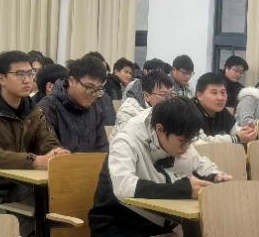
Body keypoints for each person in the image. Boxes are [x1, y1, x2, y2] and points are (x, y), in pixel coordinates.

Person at [0, 50, 69, 236]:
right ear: (1, 78)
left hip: (20, 186)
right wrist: (36, 161)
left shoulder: (32, 111)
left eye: (31, 73)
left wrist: (56, 153)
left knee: (63, 206)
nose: (28, 80)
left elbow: (48, 141)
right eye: (20, 74)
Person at [89, 97, 232, 237]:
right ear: (159, 130)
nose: (187, 148)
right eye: (183, 142)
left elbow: (199, 163)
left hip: (157, 223)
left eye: (190, 141)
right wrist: (184, 189)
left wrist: (215, 176)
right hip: (117, 222)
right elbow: (124, 188)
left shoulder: (176, 131)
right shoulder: (125, 140)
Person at [38, 56, 108, 152]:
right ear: (72, 81)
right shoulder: (48, 108)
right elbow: (49, 151)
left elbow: (102, 150)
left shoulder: (95, 110)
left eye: (98, 89)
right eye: (88, 87)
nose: (93, 94)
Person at [192, 72, 258, 145]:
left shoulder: (222, 112)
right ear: (199, 95)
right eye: (214, 93)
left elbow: (235, 131)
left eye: (223, 92)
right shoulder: (189, 111)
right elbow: (200, 142)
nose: (220, 98)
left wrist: (248, 132)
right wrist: (237, 138)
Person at [82, 52, 116, 126]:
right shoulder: (78, 97)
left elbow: (111, 123)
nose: (104, 75)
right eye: (100, 71)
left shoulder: (106, 98)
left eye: (105, 71)